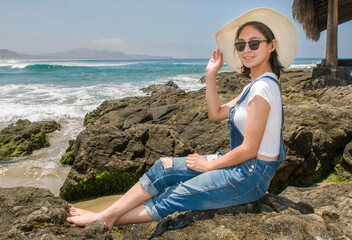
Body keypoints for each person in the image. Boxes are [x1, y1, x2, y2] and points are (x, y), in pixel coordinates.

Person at [66, 8, 297, 230]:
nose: (246, 49)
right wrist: (210, 75)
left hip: (250, 176)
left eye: (254, 43)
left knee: (176, 194)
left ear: (271, 46)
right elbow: (215, 114)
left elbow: (249, 149)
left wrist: (209, 165)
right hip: (239, 166)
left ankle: (106, 218)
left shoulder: (264, 88)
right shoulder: (253, 87)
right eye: (241, 45)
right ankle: (108, 215)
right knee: (163, 168)